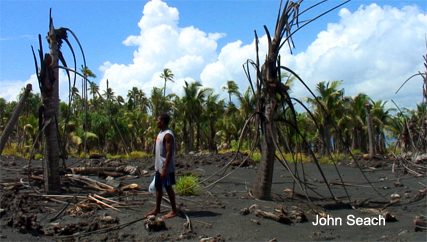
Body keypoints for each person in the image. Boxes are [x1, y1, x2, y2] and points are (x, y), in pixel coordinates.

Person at [145, 113, 178, 219]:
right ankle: (157, 209)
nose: (156, 122)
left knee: (168, 187)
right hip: (159, 167)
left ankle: (174, 210)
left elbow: (169, 153)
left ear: (162, 121)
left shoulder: (168, 134)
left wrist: (164, 169)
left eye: (157, 120)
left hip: (166, 168)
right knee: (158, 187)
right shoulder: (160, 133)